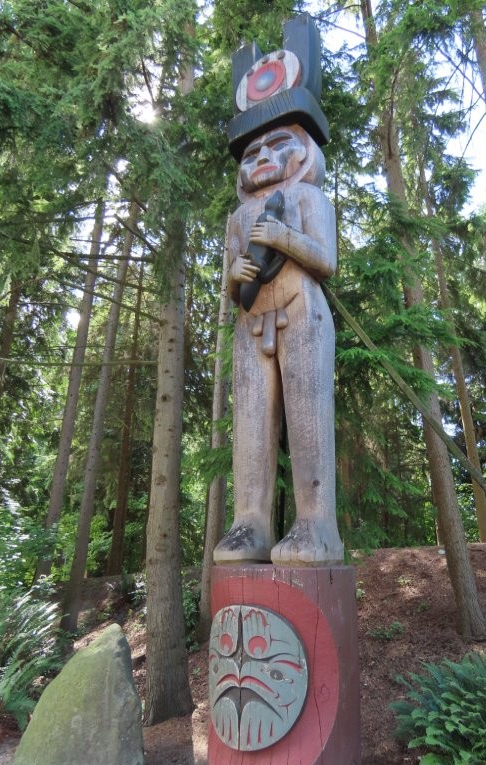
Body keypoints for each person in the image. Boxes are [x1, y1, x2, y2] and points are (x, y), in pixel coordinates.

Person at [213, 123, 344, 567]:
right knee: (250, 426)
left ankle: (317, 522)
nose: (263, 156)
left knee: (308, 416)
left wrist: (283, 237)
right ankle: (250, 522)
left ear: (305, 151)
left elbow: (326, 260)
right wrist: (234, 276)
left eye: (279, 144)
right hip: (250, 324)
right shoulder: (237, 218)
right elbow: (231, 278)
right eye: (251, 153)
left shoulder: (309, 198)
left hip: (302, 310)